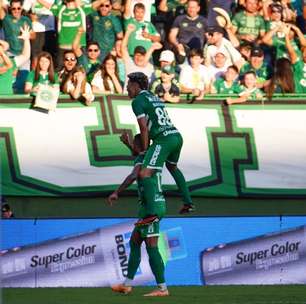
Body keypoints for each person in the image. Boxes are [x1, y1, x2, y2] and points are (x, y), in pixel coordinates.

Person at [127, 72, 194, 224]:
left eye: (129, 85)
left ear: (136, 85)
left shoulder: (137, 101)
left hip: (164, 139)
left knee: (144, 174)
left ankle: (151, 213)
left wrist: (144, 150)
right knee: (173, 167)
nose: (127, 88)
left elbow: (143, 128)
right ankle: (188, 202)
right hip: (176, 135)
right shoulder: (153, 96)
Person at [108, 132, 169, 297]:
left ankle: (162, 288)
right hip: (149, 206)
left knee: (151, 247)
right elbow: (139, 153)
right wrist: (129, 144)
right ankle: (127, 284)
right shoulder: (150, 155)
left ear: (138, 146)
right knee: (135, 242)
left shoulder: (143, 159)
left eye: (133, 146)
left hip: (152, 207)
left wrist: (116, 192)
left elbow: (134, 174)